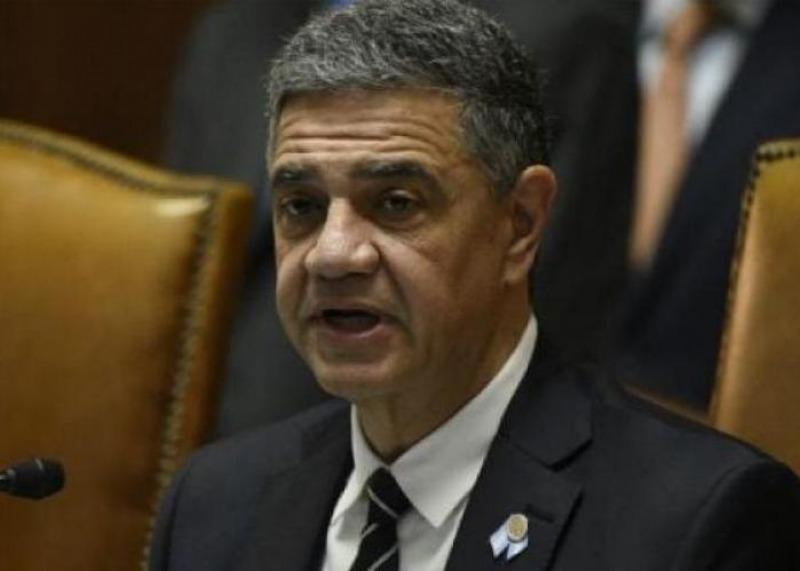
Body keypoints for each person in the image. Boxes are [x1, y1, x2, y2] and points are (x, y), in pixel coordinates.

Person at [149, 1, 800, 569]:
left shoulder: (697, 521)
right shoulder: (212, 504)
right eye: (301, 206)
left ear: (520, 224)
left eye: (396, 203)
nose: (333, 254)